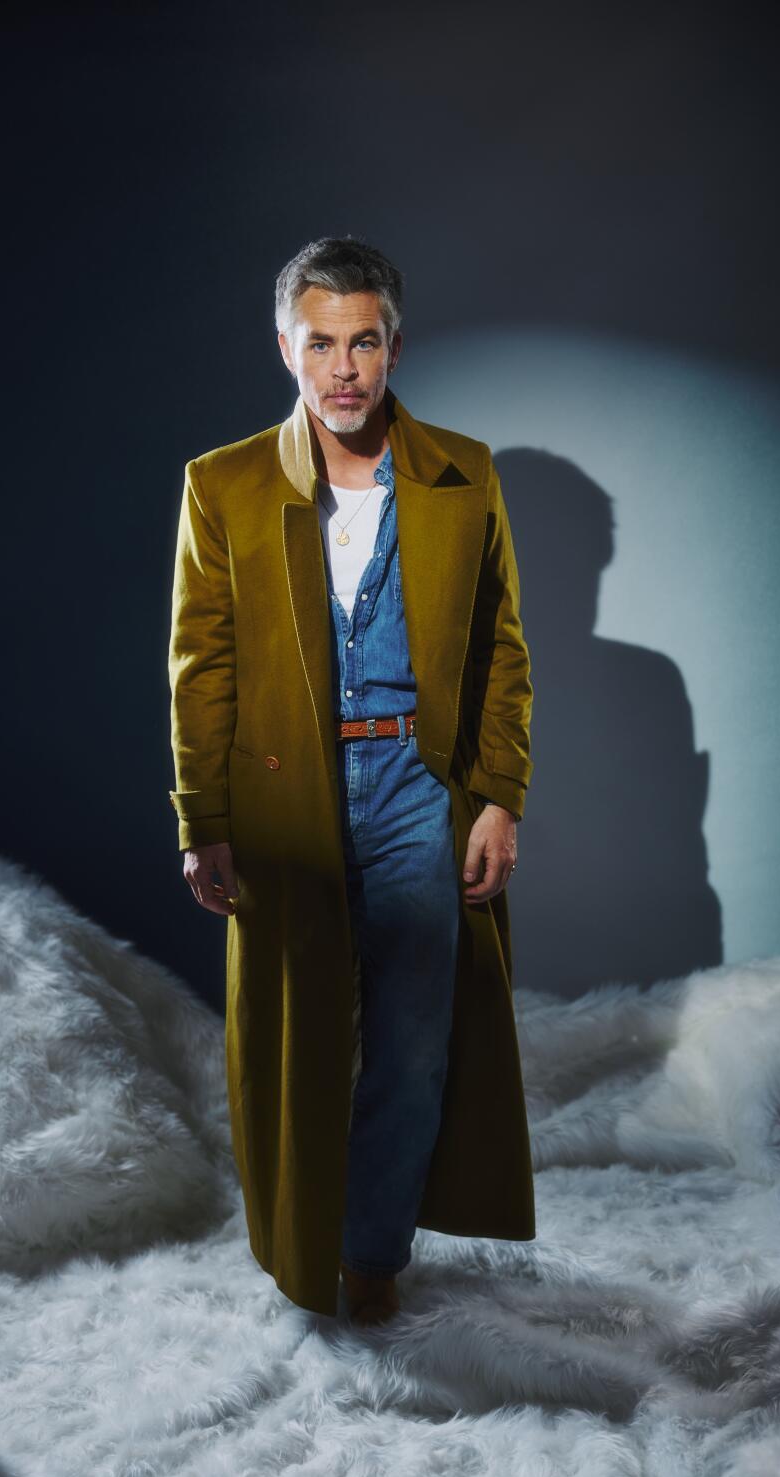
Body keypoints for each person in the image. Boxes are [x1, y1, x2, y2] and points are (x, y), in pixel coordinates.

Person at [168, 235, 536, 1324]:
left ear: (393, 347)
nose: (343, 369)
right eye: (321, 344)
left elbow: (503, 648)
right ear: (286, 348)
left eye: (363, 342)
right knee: (300, 1041)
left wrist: (500, 795)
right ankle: (298, 1247)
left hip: (418, 784)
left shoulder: (462, 472)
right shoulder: (223, 484)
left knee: (415, 1045)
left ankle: (373, 1253)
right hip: (288, 795)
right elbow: (201, 666)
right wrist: (202, 817)